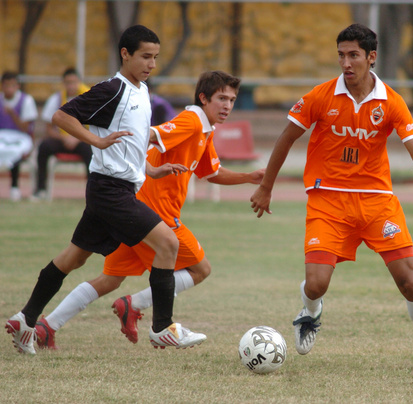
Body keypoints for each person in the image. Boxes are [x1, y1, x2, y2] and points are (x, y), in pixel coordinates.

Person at [250, 23, 413, 372]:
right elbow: (286, 138)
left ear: (371, 57)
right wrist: (266, 186)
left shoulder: (391, 101)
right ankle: (310, 313)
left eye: (353, 55)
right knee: (316, 285)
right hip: (328, 200)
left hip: (377, 201)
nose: (346, 63)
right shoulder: (320, 96)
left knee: (408, 281)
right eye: (341, 55)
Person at [5, 25, 200, 355]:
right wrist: (95, 140)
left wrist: (150, 169)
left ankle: (25, 319)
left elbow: (132, 144)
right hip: (111, 190)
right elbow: (61, 116)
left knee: (73, 258)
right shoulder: (113, 89)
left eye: (155, 57)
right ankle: (162, 328)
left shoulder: (141, 90)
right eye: (145, 56)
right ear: (125, 54)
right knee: (168, 242)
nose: (152, 64)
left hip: (112, 188)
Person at [34, 70, 264, 348]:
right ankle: (138, 308)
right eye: (222, 98)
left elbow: (211, 172)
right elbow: (150, 134)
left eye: (232, 100)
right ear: (204, 98)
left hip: (133, 209)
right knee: (201, 269)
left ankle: (47, 326)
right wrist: (132, 147)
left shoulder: (205, 129)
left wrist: (249, 177)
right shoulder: (191, 121)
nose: (227, 105)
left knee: (110, 279)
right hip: (153, 214)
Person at [32, 67, 93, 200]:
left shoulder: (89, 99)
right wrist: (64, 138)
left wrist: (77, 139)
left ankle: (92, 193)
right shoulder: (56, 99)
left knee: (92, 152)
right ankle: (41, 189)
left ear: (79, 82)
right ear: (64, 83)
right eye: (68, 82)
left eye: (74, 82)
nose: (71, 86)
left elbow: (94, 128)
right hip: (61, 140)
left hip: (82, 141)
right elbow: (49, 128)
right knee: (43, 147)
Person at [0, 71, 38, 201]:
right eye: (6, 85)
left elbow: (26, 128)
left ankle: (14, 186)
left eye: (12, 85)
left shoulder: (26, 100)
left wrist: (12, 114)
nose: (9, 89)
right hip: (2, 136)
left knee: (15, 150)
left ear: (18, 86)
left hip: (20, 137)